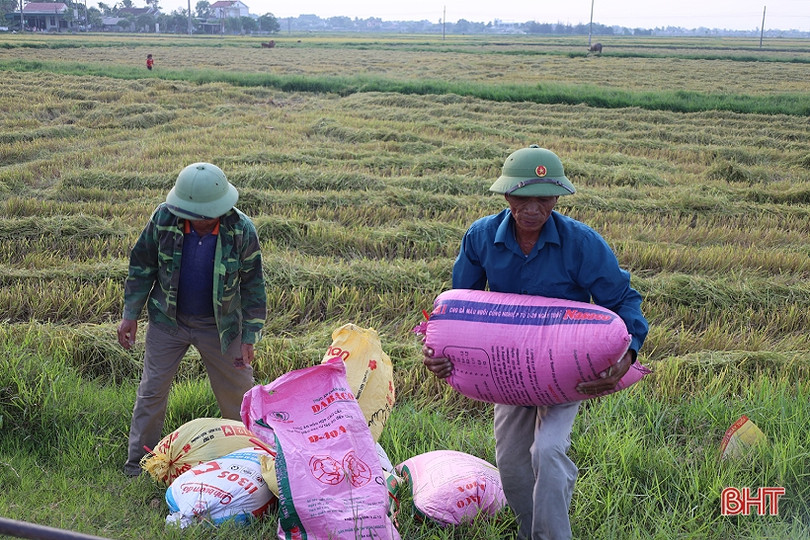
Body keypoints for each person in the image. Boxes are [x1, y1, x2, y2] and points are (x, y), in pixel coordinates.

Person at [423, 145, 648, 540]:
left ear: (557, 198)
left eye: (544, 199)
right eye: (523, 198)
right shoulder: (481, 237)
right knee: (512, 462)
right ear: (506, 195)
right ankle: (530, 531)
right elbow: (460, 310)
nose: (532, 209)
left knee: (548, 450)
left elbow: (623, 299)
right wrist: (440, 354)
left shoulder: (581, 243)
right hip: (510, 370)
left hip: (565, 369)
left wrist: (628, 355)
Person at [117, 162, 267, 477]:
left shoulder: (241, 230)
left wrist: (250, 336)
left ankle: (252, 464)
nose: (201, 219)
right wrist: (130, 314)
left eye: (208, 214)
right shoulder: (164, 219)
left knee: (239, 395)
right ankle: (138, 465)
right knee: (151, 392)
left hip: (222, 328)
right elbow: (142, 266)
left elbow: (253, 285)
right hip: (168, 322)